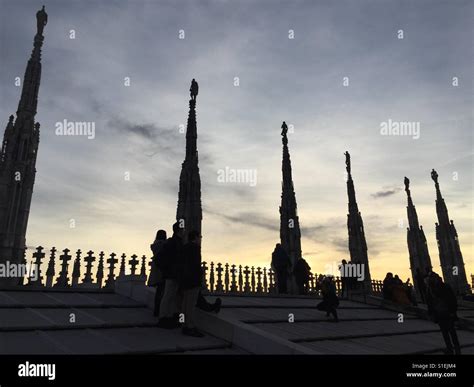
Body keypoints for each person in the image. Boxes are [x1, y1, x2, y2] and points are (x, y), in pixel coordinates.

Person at [426, 272, 461, 355]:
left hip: (446, 313)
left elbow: (452, 299)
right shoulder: (431, 288)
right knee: (447, 332)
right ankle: (452, 349)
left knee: (450, 332)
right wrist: (431, 313)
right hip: (441, 313)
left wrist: (453, 311)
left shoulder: (441, 287)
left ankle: (455, 349)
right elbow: (430, 303)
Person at [158, 222, 184, 329]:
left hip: (176, 275)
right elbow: (161, 258)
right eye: (183, 229)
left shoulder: (178, 242)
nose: (184, 231)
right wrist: (168, 270)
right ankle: (163, 318)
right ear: (179, 230)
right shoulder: (172, 242)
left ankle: (170, 318)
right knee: (168, 296)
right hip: (171, 275)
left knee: (173, 297)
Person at [179, 230, 205, 337]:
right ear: (195, 237)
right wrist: (200, 279)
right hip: (193, 280)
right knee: (190, 305)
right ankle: (189, 327)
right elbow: (195, 266)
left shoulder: (184, 247)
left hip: (184, 280)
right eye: (200, 237)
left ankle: (183, 325)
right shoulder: (195, 248)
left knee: (184, 304)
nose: (200, 239)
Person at [148, 229, 167, 316]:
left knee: (158, 292)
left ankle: (156, 310)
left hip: (156, 270)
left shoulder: (155, 245)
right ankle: (160, 311)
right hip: (162, 270)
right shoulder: (163, 245)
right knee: (162, 292)